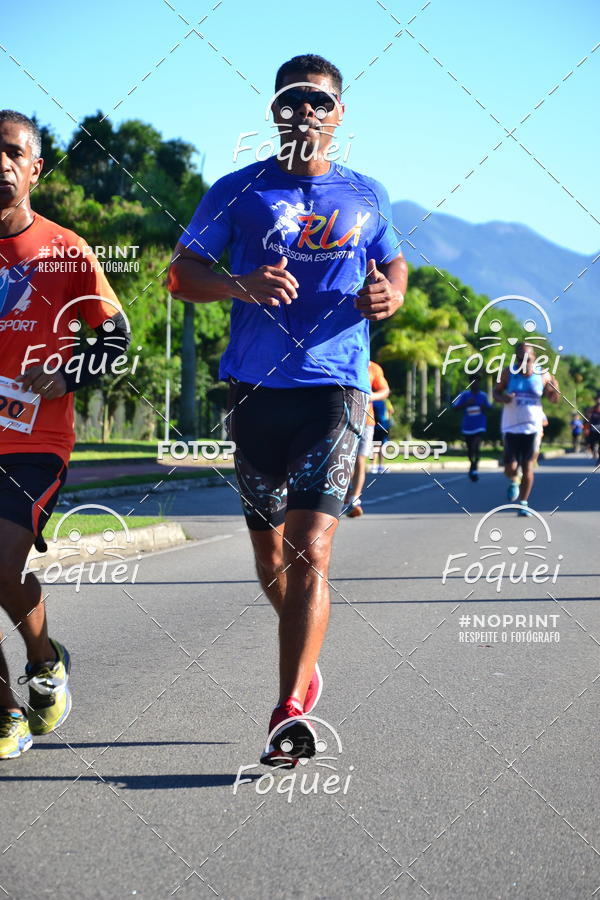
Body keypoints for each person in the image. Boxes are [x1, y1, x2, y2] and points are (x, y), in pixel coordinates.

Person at [168, 55, 407, 765]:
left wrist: (391, 292)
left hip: (335, 388)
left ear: (340, 116)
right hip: (254, 391)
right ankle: (307, 661)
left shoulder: (366, 193)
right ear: (275, 110)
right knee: (269, 553)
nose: (305, 110)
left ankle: (288, 709)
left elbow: (394, 262)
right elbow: (181, 274)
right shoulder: (235, 191)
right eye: (293, 99)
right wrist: (238, 284)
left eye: (319, 101)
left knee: (312, 549)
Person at [0, 111, 129, 759]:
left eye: (11, 152)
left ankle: (45, 659)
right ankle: (5, 714)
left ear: (33, 168)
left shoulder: (66, 251)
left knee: (1, 564)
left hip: (33, 443)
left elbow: (114, 339)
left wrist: (66, 371)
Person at [493, 342, 559, 516]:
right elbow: (495, 392)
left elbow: (554, 399)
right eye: (521, 359)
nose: (524, 363)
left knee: (528, 465)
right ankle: (514, 480)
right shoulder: (508, 373)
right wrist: (503, 398)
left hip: (533, 426)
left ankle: (523, 503)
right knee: (509, 467)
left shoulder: (543, 374)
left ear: (534, 359)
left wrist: (554, 389)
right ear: (516, 358)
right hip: (511, 426)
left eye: (528, 359)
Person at [346, 359, 390, 516]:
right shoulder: (343, 360)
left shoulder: (373, 367)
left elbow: (385, 390)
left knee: (359, 459)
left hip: (366, 421)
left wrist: (371, 396)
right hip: (341, 419)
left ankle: (354, 499)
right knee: (344, 459)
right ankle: (345, 494)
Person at [452, 374, 491, 481]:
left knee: (476, 446)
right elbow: (455, 408)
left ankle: (475, 467)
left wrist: (484, 407)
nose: (474, 384)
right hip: (468, 426)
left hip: (480, 425)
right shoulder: (464, 395)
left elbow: (489, 407)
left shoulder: (483, 395)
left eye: (476, 382)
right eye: (472, 382)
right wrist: (465, 403)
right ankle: (472, 464)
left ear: (479, 383)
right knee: (470, 449)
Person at [371, 396, 394, 473]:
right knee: (382, 446)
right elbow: (391, 411)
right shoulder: (386, 401)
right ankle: (381, 466)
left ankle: (373, 466)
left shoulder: (372, 400)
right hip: (384, 426)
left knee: (376, 445)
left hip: (374, 426)